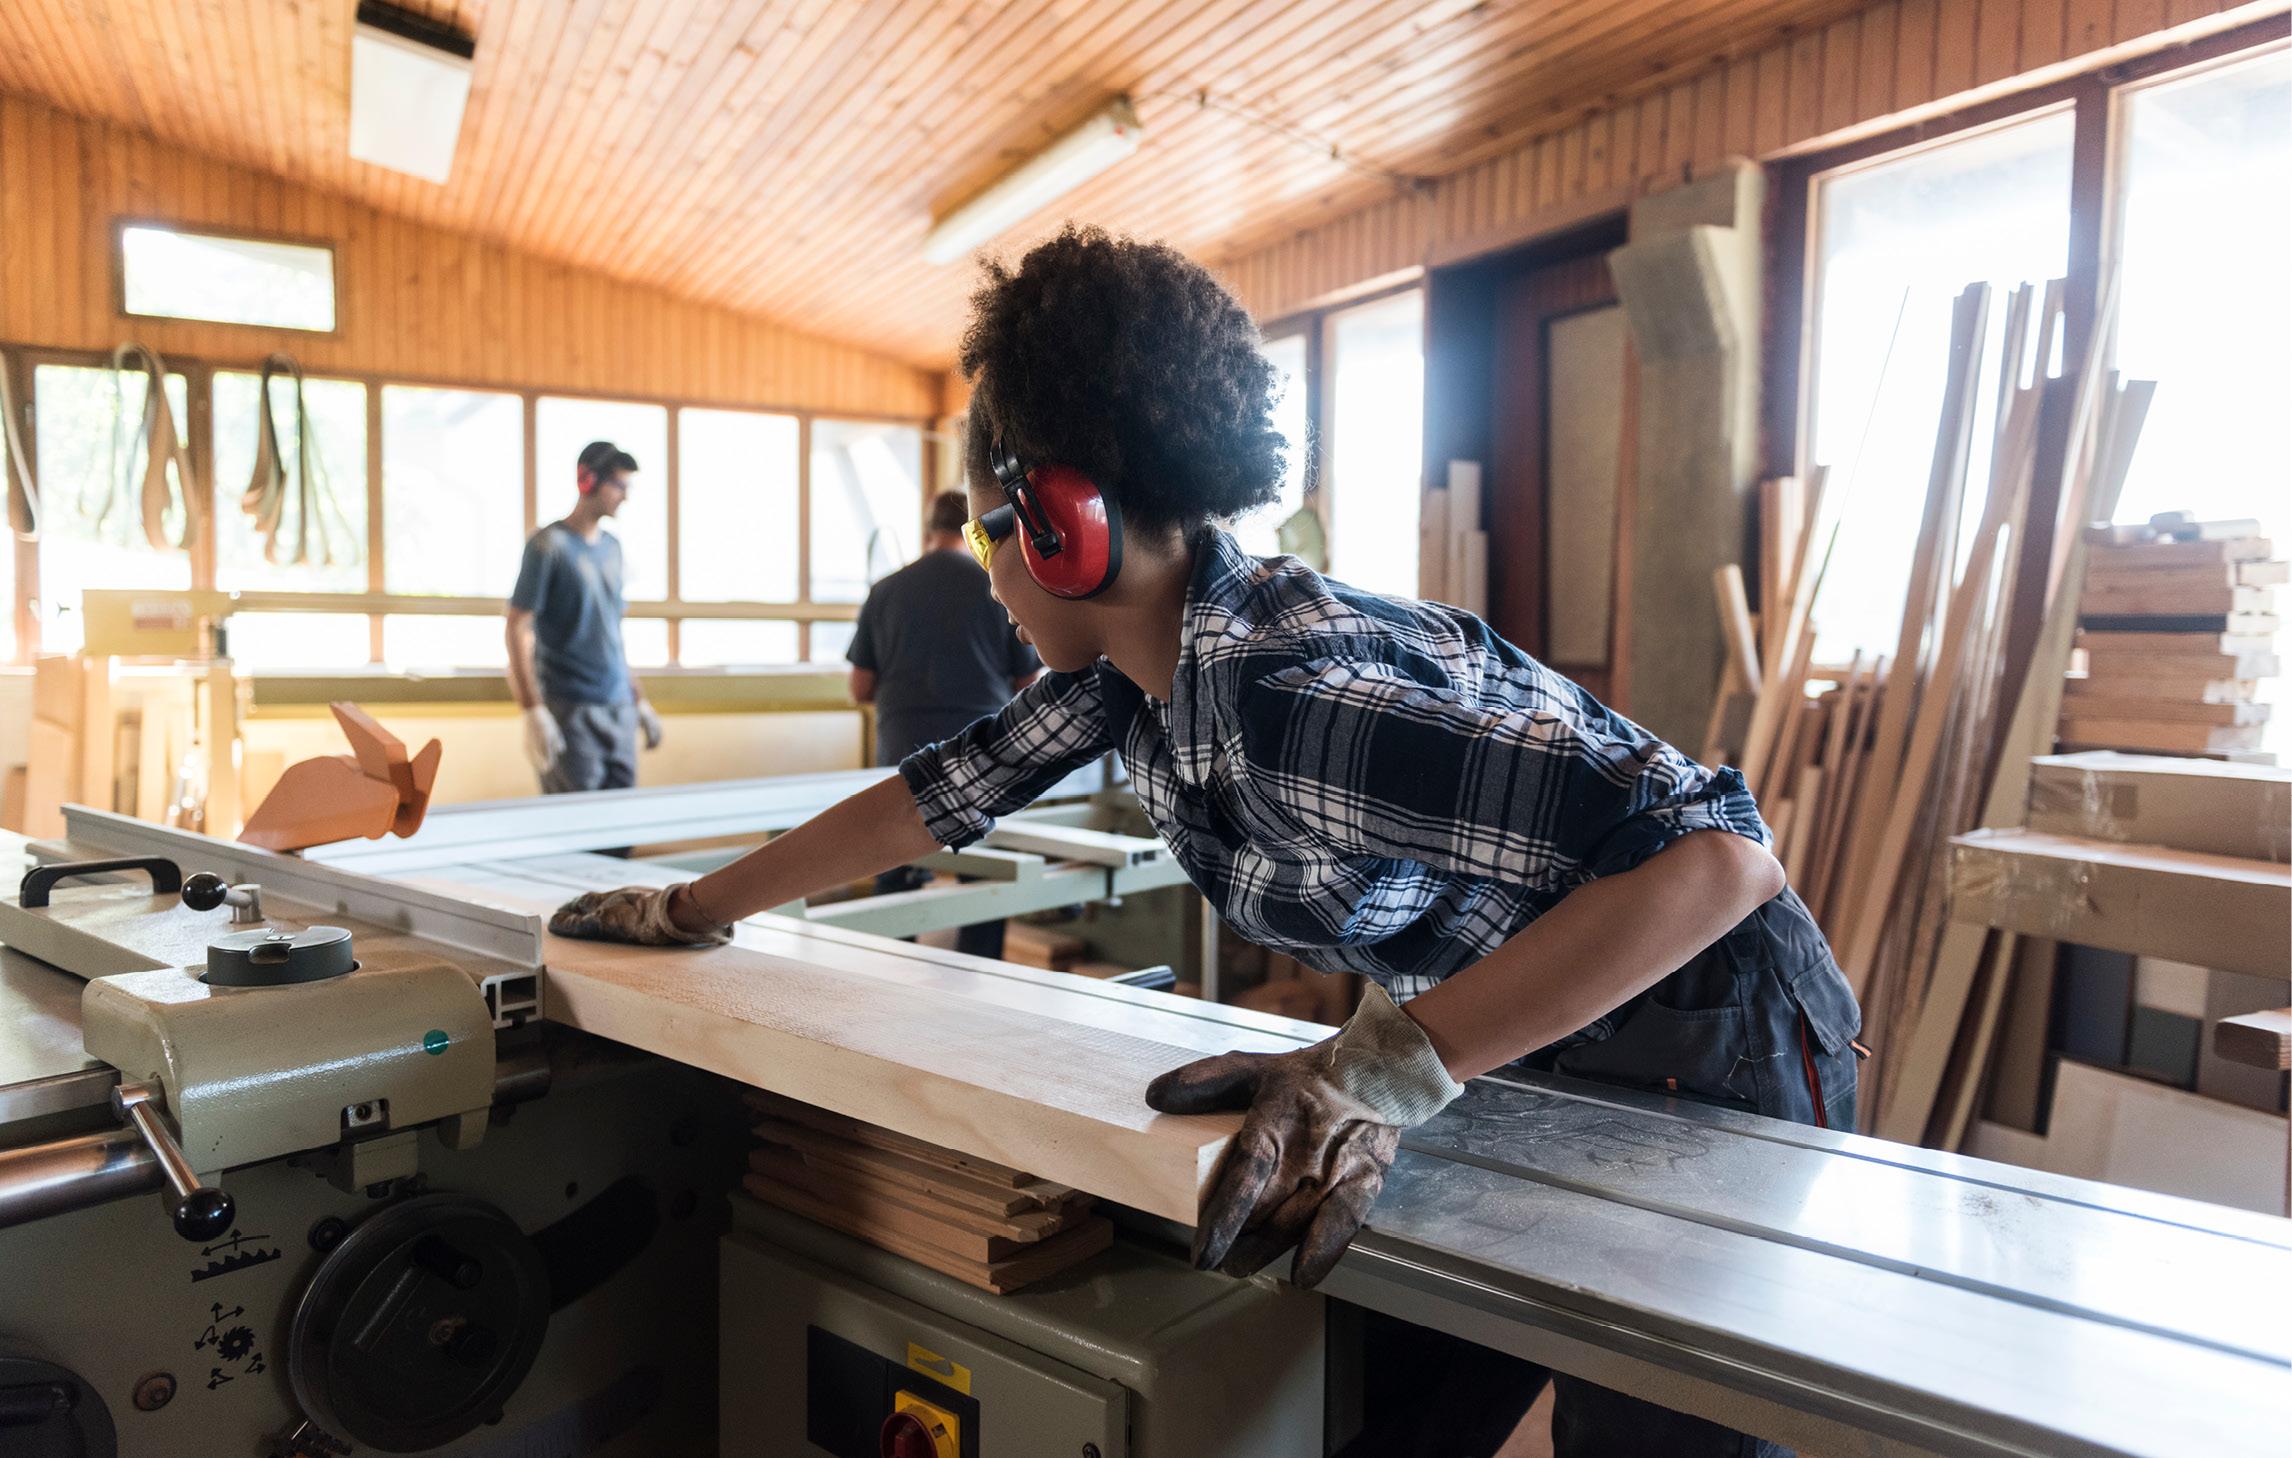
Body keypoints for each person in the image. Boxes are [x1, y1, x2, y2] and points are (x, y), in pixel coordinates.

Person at [550, 228, 1860, 1457]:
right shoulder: (1142, 670)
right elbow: (935, 795)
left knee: (1653, 1421)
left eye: (1000, 531)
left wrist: (1382, 1070)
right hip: (1521, 1008)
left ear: (1064, 525)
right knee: (1393, 1395)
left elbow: (1720, 857)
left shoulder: (1289, 702)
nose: (998, 579)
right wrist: (691, 909)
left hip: (1701, 1011)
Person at [847, 488, 1041, 958]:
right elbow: (1027, 678)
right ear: (976, 526)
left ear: (927, 529)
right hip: (983, 752)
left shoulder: (886, 590)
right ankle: (984, 968)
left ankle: (891, 968)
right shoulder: (999, 585)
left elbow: (859, 687)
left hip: (901, 752)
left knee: (893, 863)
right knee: (987, 871)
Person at [506, 440, 664, 794]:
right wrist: (532, 710)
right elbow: (517, 627)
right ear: (588, 481)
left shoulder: (613, 548)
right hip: (570, 710)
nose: (625, 496)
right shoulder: (547, 546)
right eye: (619, 486)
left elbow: (612, 632)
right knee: (578, 828)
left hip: (617, 705)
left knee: (620, 833)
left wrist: (639, 700)